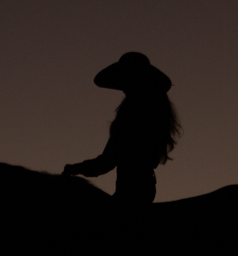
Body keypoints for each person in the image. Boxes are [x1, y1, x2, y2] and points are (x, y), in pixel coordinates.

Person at [63, 52, 181, 205]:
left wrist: (76, 168)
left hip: (131, 189)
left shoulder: (134, 114)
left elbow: (108, 160)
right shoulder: (153, 113)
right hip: (145, 186)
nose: (124, 88)